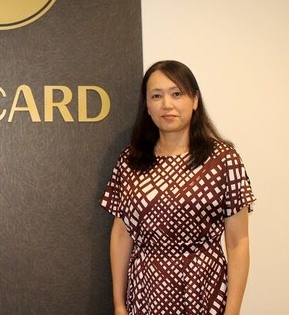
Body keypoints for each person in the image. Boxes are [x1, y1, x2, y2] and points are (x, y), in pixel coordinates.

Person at [100, 60, 255, 315]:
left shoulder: (224, 160)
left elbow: (238, 242)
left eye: (176, 93)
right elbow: (121, 234)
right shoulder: (130, 160)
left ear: (194, 100)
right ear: (147, 105)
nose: (166, 104)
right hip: (146, 292)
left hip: (204, 290)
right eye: (156, 96)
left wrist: (232, 311)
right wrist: (119, 304)